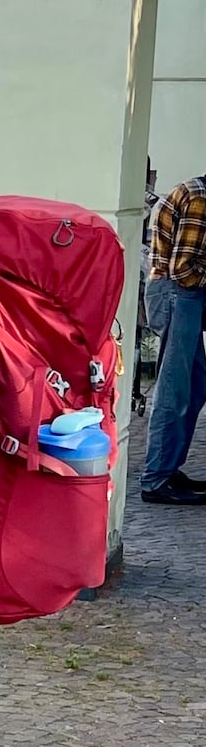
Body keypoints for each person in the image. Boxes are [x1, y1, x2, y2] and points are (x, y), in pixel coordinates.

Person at [139, 168, 206, 504]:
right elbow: (184, 269)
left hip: (183, 294)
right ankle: (156, 479)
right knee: (174, 391)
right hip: (179, 294)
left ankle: (167, 468)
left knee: (194, 388)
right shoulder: (200, 199)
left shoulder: (198, 192)